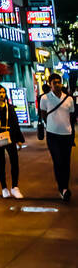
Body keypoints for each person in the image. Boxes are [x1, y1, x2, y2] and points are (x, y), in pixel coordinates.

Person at [39, 70, 76, 202]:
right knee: (58, 161)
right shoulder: (44, 98)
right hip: (52, 135)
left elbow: (72, 117)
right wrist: (51, 125)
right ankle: (62, 187)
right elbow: (43, 115)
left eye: (59, 82)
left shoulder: (69, 99)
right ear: (50, 84)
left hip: (66, 134)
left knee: (66, 163)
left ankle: (65, 188)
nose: (57, 85)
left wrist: (70, 131)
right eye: (54, 83)